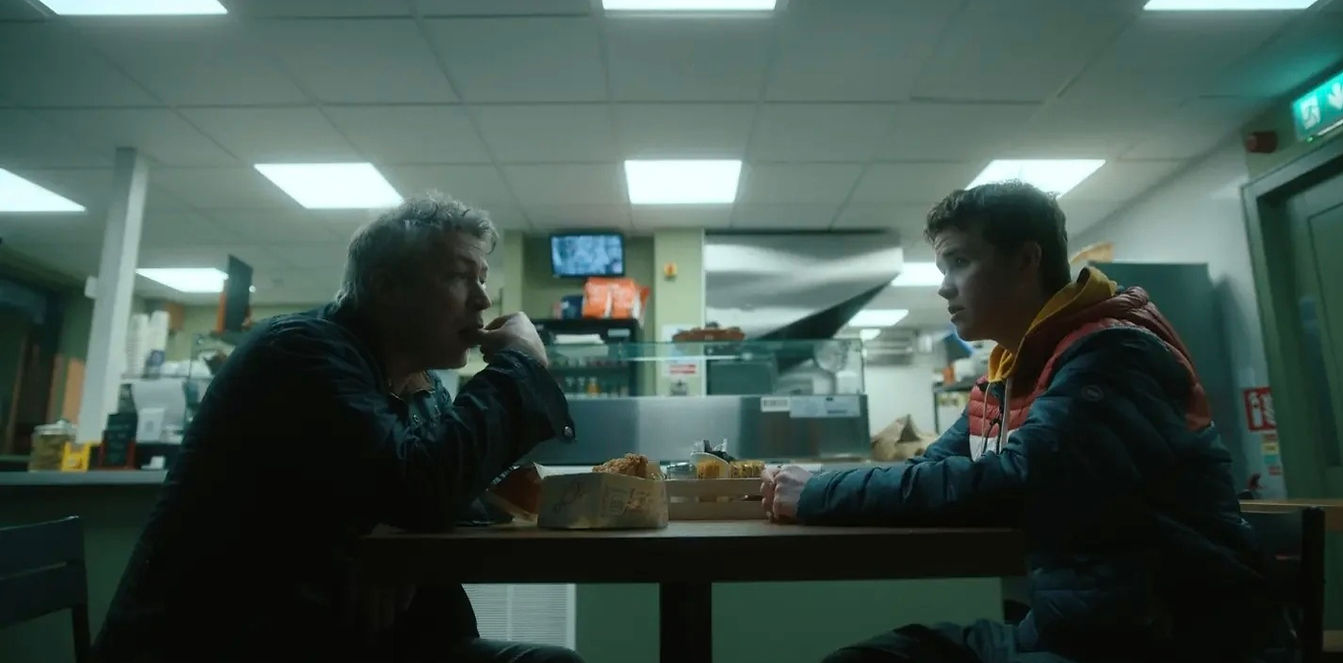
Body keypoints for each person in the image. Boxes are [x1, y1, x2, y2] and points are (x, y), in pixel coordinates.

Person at [762, 182, 1271, 663]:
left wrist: (820, 492)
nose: (944, 288)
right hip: (1070, 627)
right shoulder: (1010, 373)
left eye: (959, 262)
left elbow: (1017, 483)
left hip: (1158, 640)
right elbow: (932, 470)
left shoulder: (1113, 354)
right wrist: (821, 487)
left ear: (1027, 260)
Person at [95, 195, 583, 663]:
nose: (483, 299)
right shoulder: (302, 353)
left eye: (482, 279)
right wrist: (519, 365)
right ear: (387, 287)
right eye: (460, 277)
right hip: (221, 645)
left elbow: (435, 492)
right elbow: (421, 485)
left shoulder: (420, 385)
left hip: (334, 640)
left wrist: (393, 532)